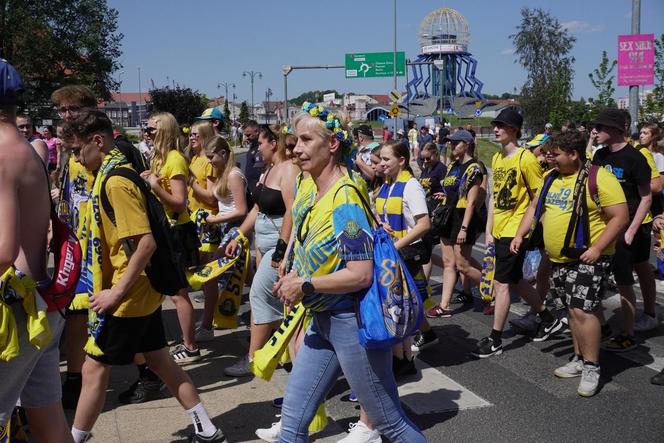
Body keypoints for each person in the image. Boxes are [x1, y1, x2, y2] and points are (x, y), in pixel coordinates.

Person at [62, 110, 226, 443]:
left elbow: (145, 244)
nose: (77, 159)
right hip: (140, 290)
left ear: (98, 141)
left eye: (79, 151)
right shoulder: (113, 175)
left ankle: (72, 439)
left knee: (93, 369)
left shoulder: (116, 182)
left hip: (129, 293)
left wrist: (114, 293)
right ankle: (207, 429)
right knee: (160, 361)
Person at [274, 105, 425, 443]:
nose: (296, 148)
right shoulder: (312, 189)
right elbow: (316, 246)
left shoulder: (344, 201)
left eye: (306, 139)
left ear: (332, 145)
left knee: (392, 426)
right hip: (323, 320)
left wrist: (306, 283)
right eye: (295, 140)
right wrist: (297, 268)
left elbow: (360, 274)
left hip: (351, 325)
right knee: (291, 427)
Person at [511, 131, 628, 397]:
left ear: (574, 154)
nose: (548, 159)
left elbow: (620, 216)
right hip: (559, 259)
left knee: (583, 311)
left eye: (554, 155)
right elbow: (534, 208)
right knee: (571, 311)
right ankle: (579, 357)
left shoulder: (599, 178)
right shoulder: (551, 177)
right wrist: (520, 234)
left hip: (588, 257)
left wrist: (598, 248)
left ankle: (591, 366)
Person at [0, 59, 73, 443]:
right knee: (48, 422)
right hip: (41, 304)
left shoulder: (1, 153)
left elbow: (2, 249)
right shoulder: (28, 151)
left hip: (14, 314)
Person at [472, 109, 562, 358]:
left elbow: (538, 198)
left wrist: (528, 231)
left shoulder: (526, 159)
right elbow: (493, 198)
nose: (496, 129)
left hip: (515, 231)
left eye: (501, 125)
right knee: (513, 280)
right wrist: (489, 230)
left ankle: (495, 339)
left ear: (514, 130)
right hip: (500, 229)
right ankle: (547, 317)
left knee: (501, 284)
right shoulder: (498, 159)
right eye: (495, 125)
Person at [223, 124, 298, 377]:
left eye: (261, 144)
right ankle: (277, 350)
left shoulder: (288, 169)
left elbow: (291, 211)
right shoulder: (268, 170)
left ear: (273, 143)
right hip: (263, 240)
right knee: (270, 297)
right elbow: (256, 209)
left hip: (278, 239)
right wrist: (239, 234)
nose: (257, 149)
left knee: (258, 294)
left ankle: (254, 358)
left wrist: (281, 249)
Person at [141, 112, 202, 364]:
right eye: (146, 129)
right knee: (168, 289)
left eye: (151, 129)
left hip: (176, 231)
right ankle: (184, 341)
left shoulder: (175, 159)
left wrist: (154, 186)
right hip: (164, 229)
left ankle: (190, 347)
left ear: (164, 131)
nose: (146, 133)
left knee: (178, 293)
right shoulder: (160, 157)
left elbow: (179, 203)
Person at [590, 109, 653, 351]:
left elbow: (646, 198)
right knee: (597, 279)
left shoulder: (635, 159)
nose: (595, 131)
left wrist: (630, 230)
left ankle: (628, 333)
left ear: (616, 130)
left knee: (624, 281)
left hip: (626, 229)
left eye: (601, 127)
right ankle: (602, 325)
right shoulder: (600, 155)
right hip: (602, 229)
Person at [376, 139, 432, 376]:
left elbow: (424, 224)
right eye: (381, 159)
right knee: (394, 308)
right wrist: (380, 224)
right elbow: (382, 212)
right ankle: (400, 357)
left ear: (402, 160)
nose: (382, 164)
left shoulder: (410, 186)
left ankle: (404, 359)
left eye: (386, 159)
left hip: (404, 253)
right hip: (390, 252)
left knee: (400, 308)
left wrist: (397, 245)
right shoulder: (387, 184)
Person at [193, 134, 248, 340]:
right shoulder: (224, 173)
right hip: (225, 229)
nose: (209, 161)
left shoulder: (233, 175)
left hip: (234, 230)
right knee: (244, 276)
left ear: (223, 154)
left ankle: (208, 326)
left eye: (211, 156)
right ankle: (209, 322)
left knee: (211, 275)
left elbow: (242, 209)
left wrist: (215, 219)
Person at [427, 130, 484, 319]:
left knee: (463, 265)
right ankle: (444, 306)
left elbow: (471, 202)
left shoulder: (474, 168)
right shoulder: (452, 165)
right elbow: (453, 191)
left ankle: (492, 290)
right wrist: (445, 196)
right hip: (448, 217)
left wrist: (465, 228)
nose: (452, 146)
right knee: (448, 263)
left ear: (466, 144)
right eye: (451, 143)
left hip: (462, 218)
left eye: (456, 143)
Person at [184, 120, 220, 324]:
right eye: (190, 134)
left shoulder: (208, 161)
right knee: (201, 275)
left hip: (207, 222)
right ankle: (208, 318)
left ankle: (208, 322)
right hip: (194, 221)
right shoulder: (194, 158)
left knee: (209, 277)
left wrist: (190, 182)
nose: (191, 137)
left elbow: (211, 197)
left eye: (196, 135)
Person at [243, 120, 263, 195]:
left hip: (257, 189)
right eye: (245, 135)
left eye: (248, 135)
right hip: (249, 188)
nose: (246, 138)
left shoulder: (262, 147)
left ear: (256, 131)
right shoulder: (253, 145)